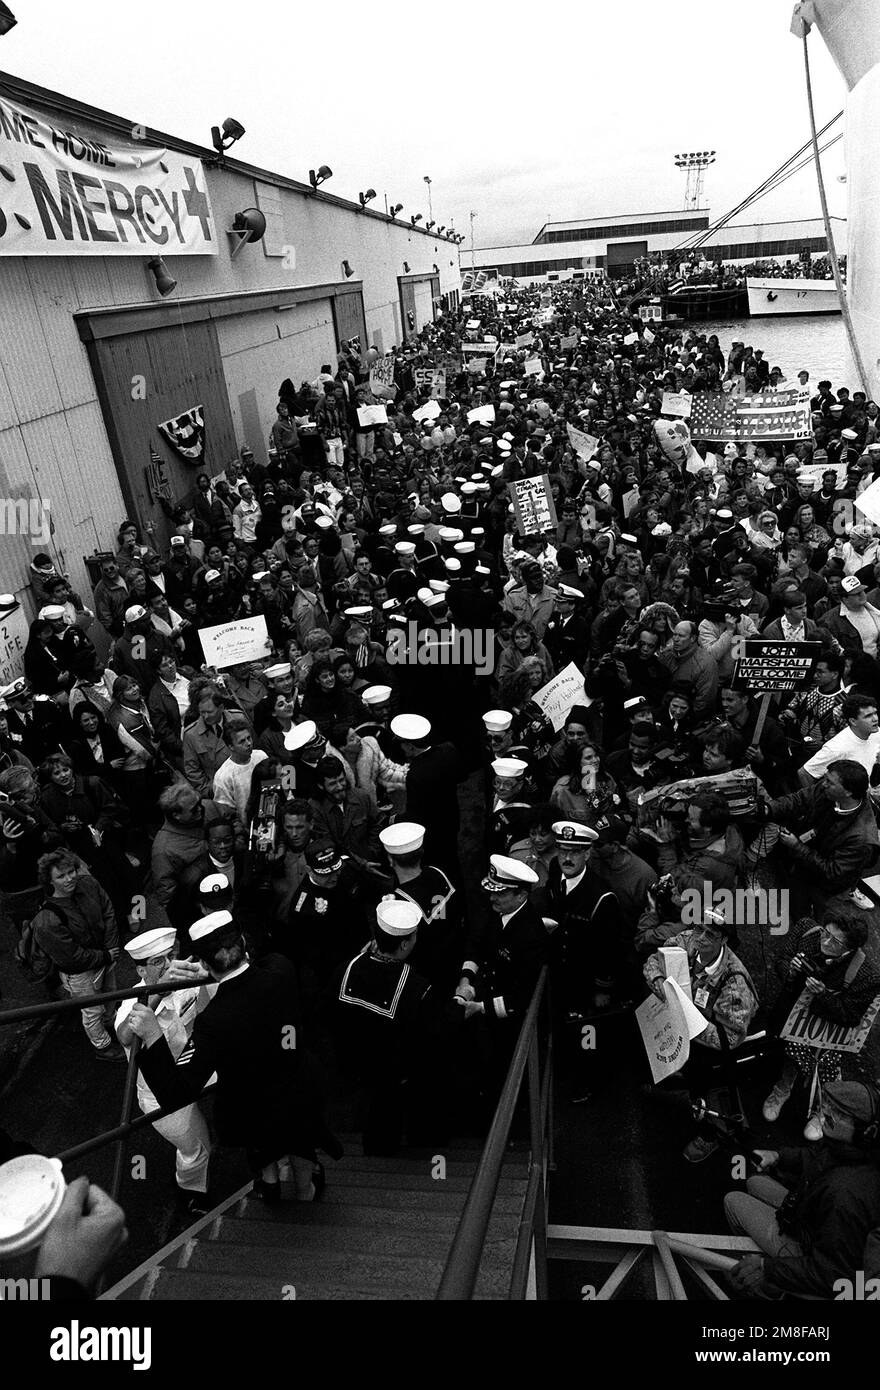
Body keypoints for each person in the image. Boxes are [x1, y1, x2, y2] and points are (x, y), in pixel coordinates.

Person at [128, 910, 335, 1205]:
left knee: (261, 1138)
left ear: (203, 963)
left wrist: (152, 1038)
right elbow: (262, 965)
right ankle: (306, 1192)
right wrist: (214, 973)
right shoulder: (281, 969)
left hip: (251, 1101)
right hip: (297, 1084)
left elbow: (177, 1093)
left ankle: (270, 1184)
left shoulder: (213, 1021)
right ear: (242, 944)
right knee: (299, 1140)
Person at [329, 898, 464, 1154]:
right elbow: (438, 1029)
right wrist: (460, 1002)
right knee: (388, 1115)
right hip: (396, 1071)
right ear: (404, 943)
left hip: (354, 1066)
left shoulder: (346, 968)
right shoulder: (417, 986)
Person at [725, 1081, 880, 1299]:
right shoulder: (852, 1147)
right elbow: (816, 1157)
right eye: (828, 1106)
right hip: (812, 1215)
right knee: (754, 1183)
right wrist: (778, 1157)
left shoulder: (845, 1196)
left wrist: (766, 1267)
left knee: (733, 1201)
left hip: (809, 1247)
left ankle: (765, 1287)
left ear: (865, 1130)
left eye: (839, 1113)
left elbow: (831, 1274)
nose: (826, 1114)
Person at [115, 927, 215, 1216]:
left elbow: (210, 998)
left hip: (196, 1070)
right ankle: (191, 1192)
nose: (170, 966)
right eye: (158, 962)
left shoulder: (186, 979)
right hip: (161, 1095)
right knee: (196, 1147)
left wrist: (207, 971)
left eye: (171, 956)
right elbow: (124, 1034)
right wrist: (157, 995)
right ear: (141, 970)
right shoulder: (131, 1004)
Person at [643, 910, 759, 1162]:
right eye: (698, 929)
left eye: (711, 934)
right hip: (679, 1022)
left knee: (703, 1090)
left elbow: (730, 1038)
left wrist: (689, 1024)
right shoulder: (687, 941)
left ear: (724, 940)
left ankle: (710, 1136)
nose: (701, 937)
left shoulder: (734, 983)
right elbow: (652, 961)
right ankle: (670, 1080)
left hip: (708, 1044)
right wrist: (661, 982)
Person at [762, 910, 880, 1138]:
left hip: (827, 1030)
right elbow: (781, 960)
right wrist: (792, 971)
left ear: (851, 948)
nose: (825, 941)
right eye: (825, 933)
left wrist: (823, 995)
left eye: (834, 941)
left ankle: (825, 1106)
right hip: (792, 1020)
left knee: (827, 1064)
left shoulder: (866, 976)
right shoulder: (807, 930)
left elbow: (850, 1016)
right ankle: (783, 1087)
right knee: (791, 1053)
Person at [31, 850, 123, 1060]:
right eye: (61, 876)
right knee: (92, 1012)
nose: (70, 878)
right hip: (80, 974)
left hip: (105, 956)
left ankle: (112, 1022)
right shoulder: (47, 919)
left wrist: (109, 948)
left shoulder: (88, 885)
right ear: (50, 881)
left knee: (111, 993)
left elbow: (107, 910)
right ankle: (103, 1047)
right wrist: (106, 955)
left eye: (71, 871)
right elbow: (70, 958)